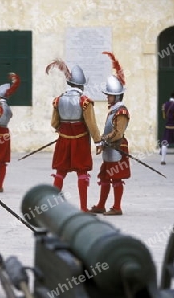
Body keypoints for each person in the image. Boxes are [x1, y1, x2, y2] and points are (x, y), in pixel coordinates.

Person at [46, 60, 102, 213]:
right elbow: (91, 124)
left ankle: (53, 207)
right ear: (81, 85)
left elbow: (54, 122)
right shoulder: (84, 101)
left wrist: (62, 130)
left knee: (60, 172)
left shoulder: (58, 100)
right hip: (81, 141)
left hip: (63, 140)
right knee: (82, 172)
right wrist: (98, 142)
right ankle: (83, 207)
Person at [90, 52, 130, 216]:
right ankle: (101, 205)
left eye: (110, 95)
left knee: (116, 178)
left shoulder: (121, 111)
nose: (107, 98)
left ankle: (117, 207)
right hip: (109, 148)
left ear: (117, 96)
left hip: (117, 148)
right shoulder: (113, 109)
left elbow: (117, 132)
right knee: (105, 177)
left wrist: (103, 139)